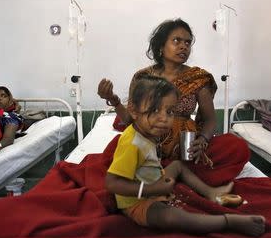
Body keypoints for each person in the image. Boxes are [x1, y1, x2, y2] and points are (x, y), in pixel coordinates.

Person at [105, 75, 265, 236]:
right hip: (137, 201)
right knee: (171, 217)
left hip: (154, 184)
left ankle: (210, 192)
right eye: (154, 110)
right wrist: (151, 189)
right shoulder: (132, 144)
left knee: (177, 166)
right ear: (133, 111)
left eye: (169, 112)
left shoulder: (147, 131)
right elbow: (112, 183)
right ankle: (227, 221)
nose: (164, 119)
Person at [98, 18, 250, 186]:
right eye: (176, 40)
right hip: (148, 142)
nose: (184, 46)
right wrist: (113, 100)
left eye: (188, 42)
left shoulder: (198, 78)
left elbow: (210, 120)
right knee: (117, 149)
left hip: (186, 149)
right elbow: (129, 119)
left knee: (236, 146)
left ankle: (168, 172)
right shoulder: (142, 77)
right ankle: (178, 174)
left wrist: (203, 141)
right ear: (162, 46)